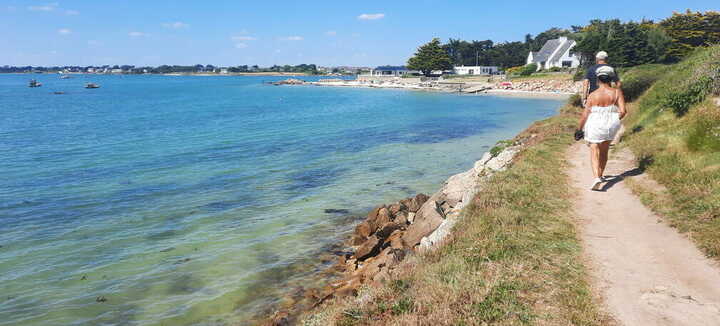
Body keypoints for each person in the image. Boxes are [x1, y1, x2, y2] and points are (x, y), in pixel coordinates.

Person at [577, 65, 627, 190]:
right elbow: (623, 111)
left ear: (598, 80)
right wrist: (614, 120)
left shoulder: (593, 95)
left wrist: (579, 129)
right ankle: (600, 174)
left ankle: (596, 177)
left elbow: (585, 114)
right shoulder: (616, 92)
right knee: (604, 151)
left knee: (594, 149)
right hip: (611, 124)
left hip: (595, 123)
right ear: (610, 79)